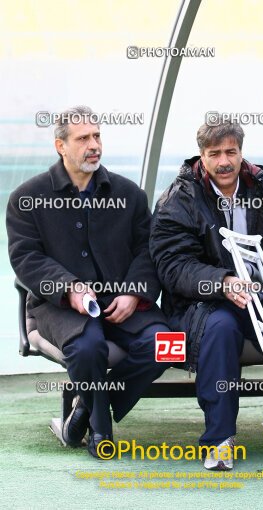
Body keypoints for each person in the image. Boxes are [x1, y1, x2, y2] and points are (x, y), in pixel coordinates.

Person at [149, 118, 263, 470]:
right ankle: (219, 438)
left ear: (242, 153)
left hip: (261, 297)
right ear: (202, 155)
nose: (224, 161)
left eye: (231, 151)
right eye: (215, 153)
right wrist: (223, 282)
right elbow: (172, 266)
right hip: (201, 304)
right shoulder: (177, 199)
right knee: (222, 327)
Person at [6, 105, 170, 458]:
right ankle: (100, 432)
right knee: (87, 347)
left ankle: (87, 403)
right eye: (83, 138)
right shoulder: (27, 198)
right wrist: (69, 287)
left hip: (123, 301)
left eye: (97, 136)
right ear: (60, 146)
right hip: (57, 306)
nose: (93, 144)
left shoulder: (130, 195)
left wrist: (134, 292)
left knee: (168, 343)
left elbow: (148, 252)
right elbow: (26, 259)